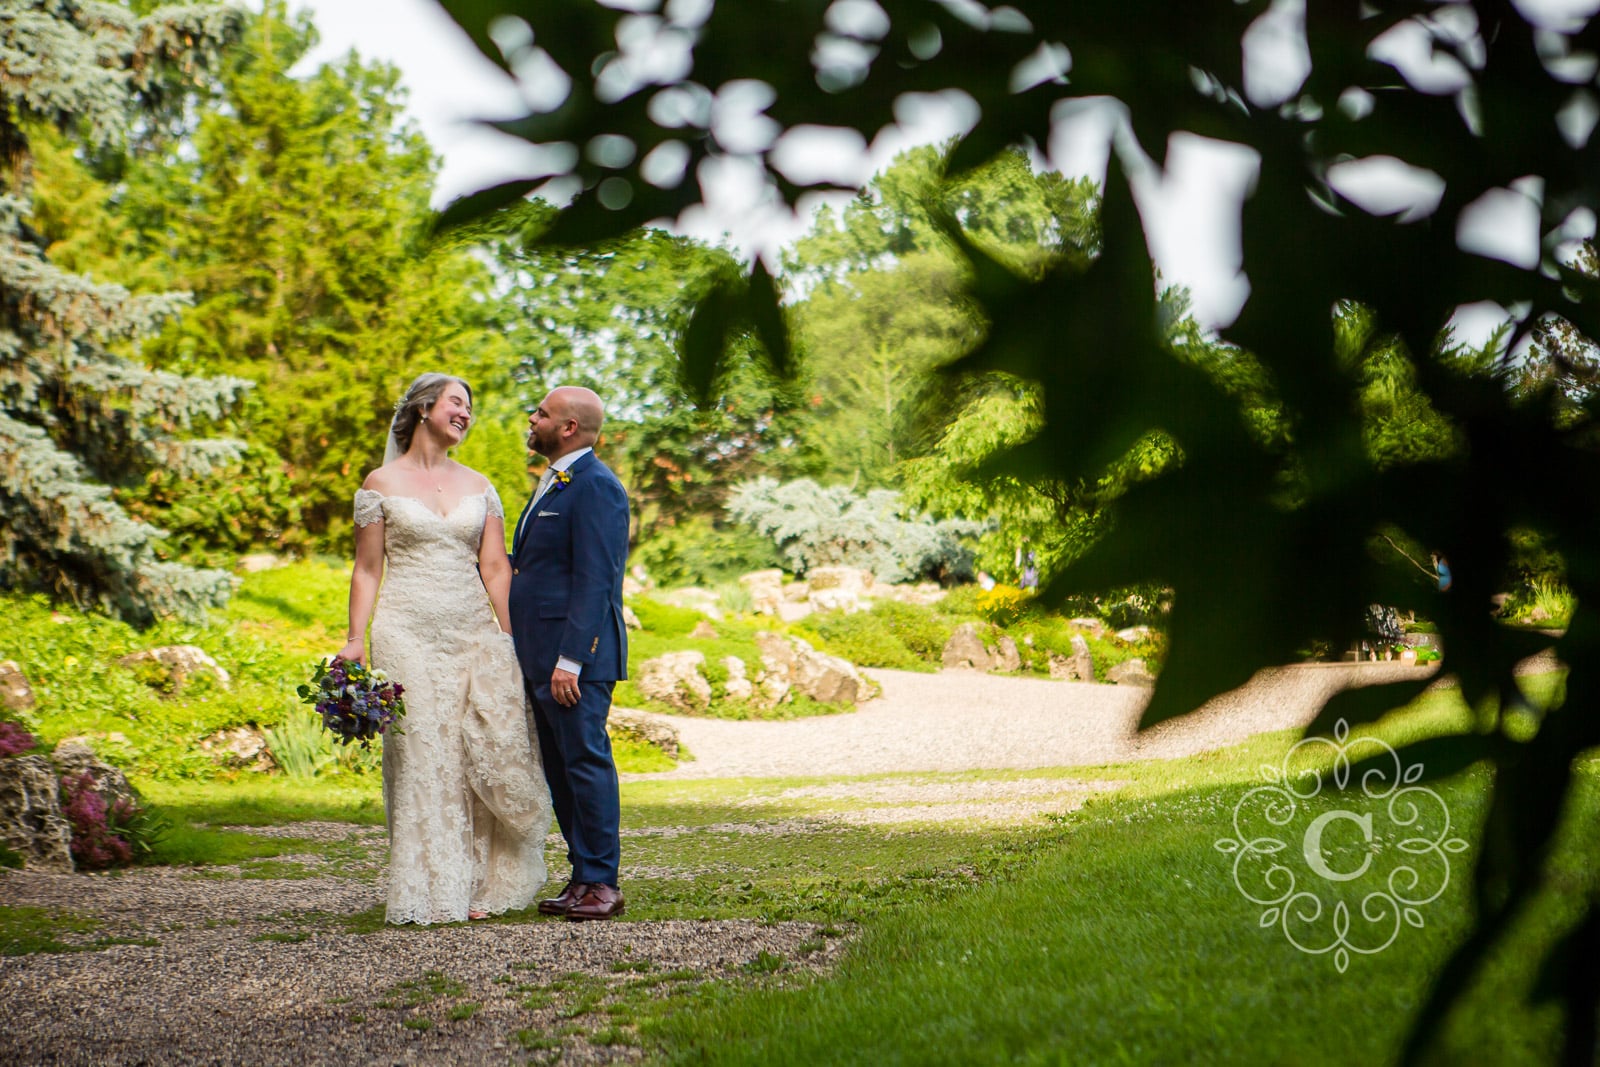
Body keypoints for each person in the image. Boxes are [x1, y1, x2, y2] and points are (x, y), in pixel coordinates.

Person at [341, 373, 553, 925]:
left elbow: (495, 567)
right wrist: (354, 639)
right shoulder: (380, 483)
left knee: (474, 749)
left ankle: (479, 883)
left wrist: (509, 639)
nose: (466, 414)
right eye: (458, 403)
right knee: (421, 756)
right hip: (404, 630)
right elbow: (368, 569)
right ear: (423, 408)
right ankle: (430, 884)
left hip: (470, 631)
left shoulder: (481, 485)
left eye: (470, 407)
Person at [509, 386, 631, 922]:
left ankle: (603, 881)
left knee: (585, 761)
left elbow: (596, 579)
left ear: (567, 428)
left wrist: (572, 659)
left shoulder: (597, 487)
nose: (531, 419)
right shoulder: (554, 482)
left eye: (541, 413)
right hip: (540, 653)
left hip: (574, 659)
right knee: (560, 768)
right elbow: (538, 568)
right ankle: (582, 876)